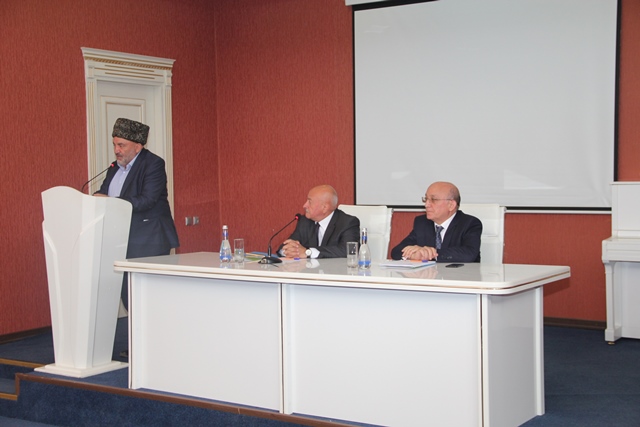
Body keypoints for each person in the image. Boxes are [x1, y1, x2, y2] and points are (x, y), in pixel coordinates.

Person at [94, 118, 180, 308]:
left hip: (148, 240)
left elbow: (147, 200)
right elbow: (104, 193)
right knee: (128, 297)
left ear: (138, 146)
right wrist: (96, 199)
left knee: (149, 299)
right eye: (114, 144)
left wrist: (111, 201)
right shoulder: (114, 168)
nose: (116, 150)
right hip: (120, 239)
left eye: (121, 145)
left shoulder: (153, 164)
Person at [391, 181, 482, 262]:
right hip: (428, 274)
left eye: (433, 200)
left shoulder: (469, 223)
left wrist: (432, 254)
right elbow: (396, 251)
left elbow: (469, 253)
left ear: (451, 205)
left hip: (459, 274)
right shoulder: (422, 223)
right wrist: (414, 254)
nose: (426, 205)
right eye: (426, 199)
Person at [279, 185, 360, 259]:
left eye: (310, 202)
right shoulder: (305, 221)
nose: (304, 205)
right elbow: (285, 246)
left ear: (324, 208)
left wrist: (308, 252)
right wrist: (288, 251)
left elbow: (349, 250)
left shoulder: (348, 223)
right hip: (309, 269)